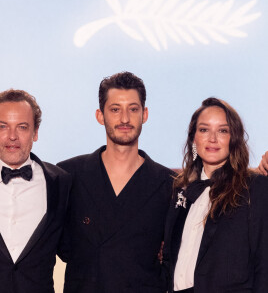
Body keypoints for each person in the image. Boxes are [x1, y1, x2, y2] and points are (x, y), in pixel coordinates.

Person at [57, 72, 175, 293]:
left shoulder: (169, 184)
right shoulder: (67, 175)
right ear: (100, 116)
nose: (124, 119)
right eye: (115, 109)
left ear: (145, 114)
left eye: (133, 109)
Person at [0, 89, 71, 293]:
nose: (12, 136)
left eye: (22, 127)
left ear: (35, 132)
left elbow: (79, 244)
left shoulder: (61, 182)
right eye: (3, 126)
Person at [163, 97, 268, 293]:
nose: (212, 139)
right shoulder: (180, 190)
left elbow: (264, 263)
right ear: (194, 138)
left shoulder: (255, 186)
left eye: (223, 130)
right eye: (204, 130)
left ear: (234, 138)